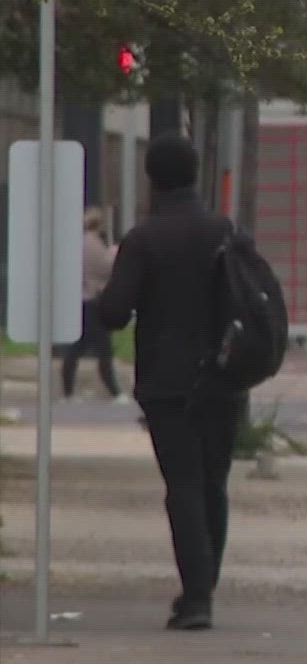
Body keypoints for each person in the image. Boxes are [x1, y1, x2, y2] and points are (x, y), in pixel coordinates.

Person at [93, 133, 248, 631]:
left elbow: (116, 313)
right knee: (213, 484)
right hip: (224, 378)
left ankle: (197, 596)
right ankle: (204, 587)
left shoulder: (144, 239)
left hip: (167, 383)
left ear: (152, 178)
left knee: (182, 485)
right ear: (195, 174)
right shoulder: (225, 231)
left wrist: (93, 304)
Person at [61, 207, 126, 403]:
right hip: (93, 300)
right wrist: (115, 254)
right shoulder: (94, 244)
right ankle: (115, 392)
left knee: (78, 347)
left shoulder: (80, 243)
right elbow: (105, 269)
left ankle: (69, 392)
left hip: (82, 300)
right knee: (103, 348)